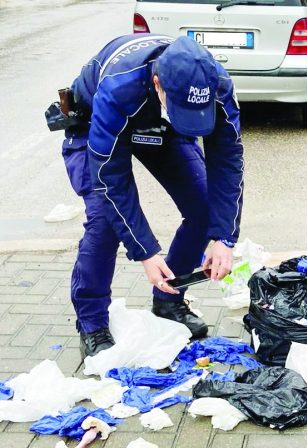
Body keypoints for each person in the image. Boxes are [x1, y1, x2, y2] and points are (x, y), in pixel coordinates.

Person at [59, 34, 245, 359]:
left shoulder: (215, 84)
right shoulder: (119, 88)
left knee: (204, 207)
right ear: (158, 83)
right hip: (95, 125)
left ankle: (169, 301)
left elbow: (228, 160)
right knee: (105, 222)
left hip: (157, 124)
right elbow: (110, 180)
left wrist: (224, 238)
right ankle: (91, 323)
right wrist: (145, 251)